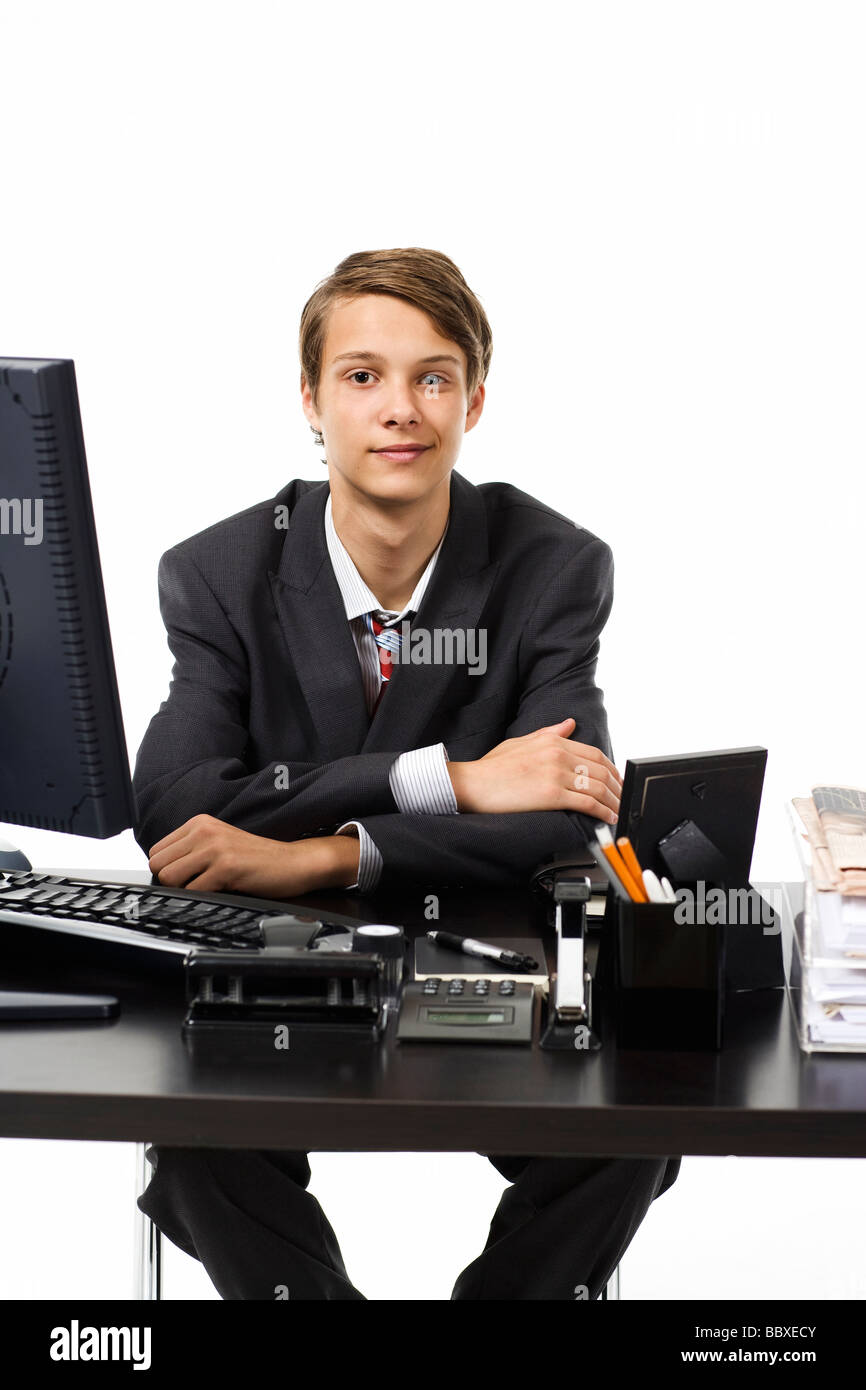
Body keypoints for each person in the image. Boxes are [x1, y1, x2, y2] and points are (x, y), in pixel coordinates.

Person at [133, 247, 680, 1299]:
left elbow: (568, 812)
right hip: (275, 983)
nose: (401, 410)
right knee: (196, 1140)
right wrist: (454, 780)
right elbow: (174, 809)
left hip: (486, 964)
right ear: (309, 400)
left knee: (627, 1130)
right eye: (361, 376)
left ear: (473, 399)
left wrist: (312, 855)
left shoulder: (553, 564)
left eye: (433, 376)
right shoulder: (217, 571)